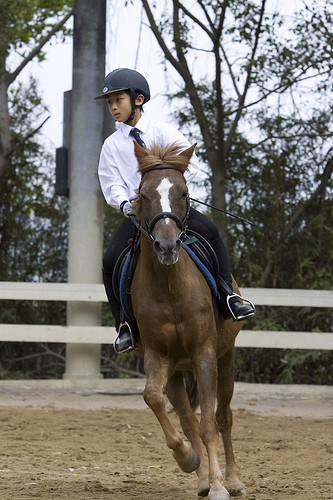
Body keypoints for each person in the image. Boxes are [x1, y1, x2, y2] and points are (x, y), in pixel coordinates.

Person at [95, 68, 255, 354]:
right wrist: (124, 204)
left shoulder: (163, 131)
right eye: (109, 103)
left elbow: (190, 164)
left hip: (172, 209)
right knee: (109, 261)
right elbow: (110, 182)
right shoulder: (111, 145)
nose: (113, 107)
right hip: (139, 215)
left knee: (212, 231)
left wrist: (171, 191)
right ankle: (125, 325)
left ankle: (229, 297)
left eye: (118, 100)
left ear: (139, 99)